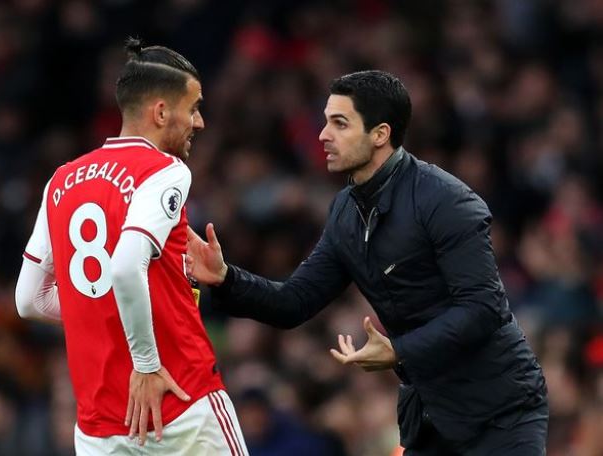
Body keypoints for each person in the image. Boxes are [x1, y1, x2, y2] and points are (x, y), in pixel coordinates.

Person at [186, 70, 548, 455]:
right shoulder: (346, 211)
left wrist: (399, 350)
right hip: (431, 415)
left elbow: (482, 308)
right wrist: (225, 277)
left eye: (340, 123)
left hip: (499, 412)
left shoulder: (447, 201)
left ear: (380, 134)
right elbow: (295, 301)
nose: (323, 135)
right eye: (326, 121)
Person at [15, 39, 248, 456]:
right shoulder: (165, 170)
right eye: (194, 108)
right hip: (181, 402)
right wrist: (145, 364)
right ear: (161, 112)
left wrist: (106, 312)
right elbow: (125, 267)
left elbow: (29, 300)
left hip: (100, 426)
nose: (200, 122)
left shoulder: (60, 180)